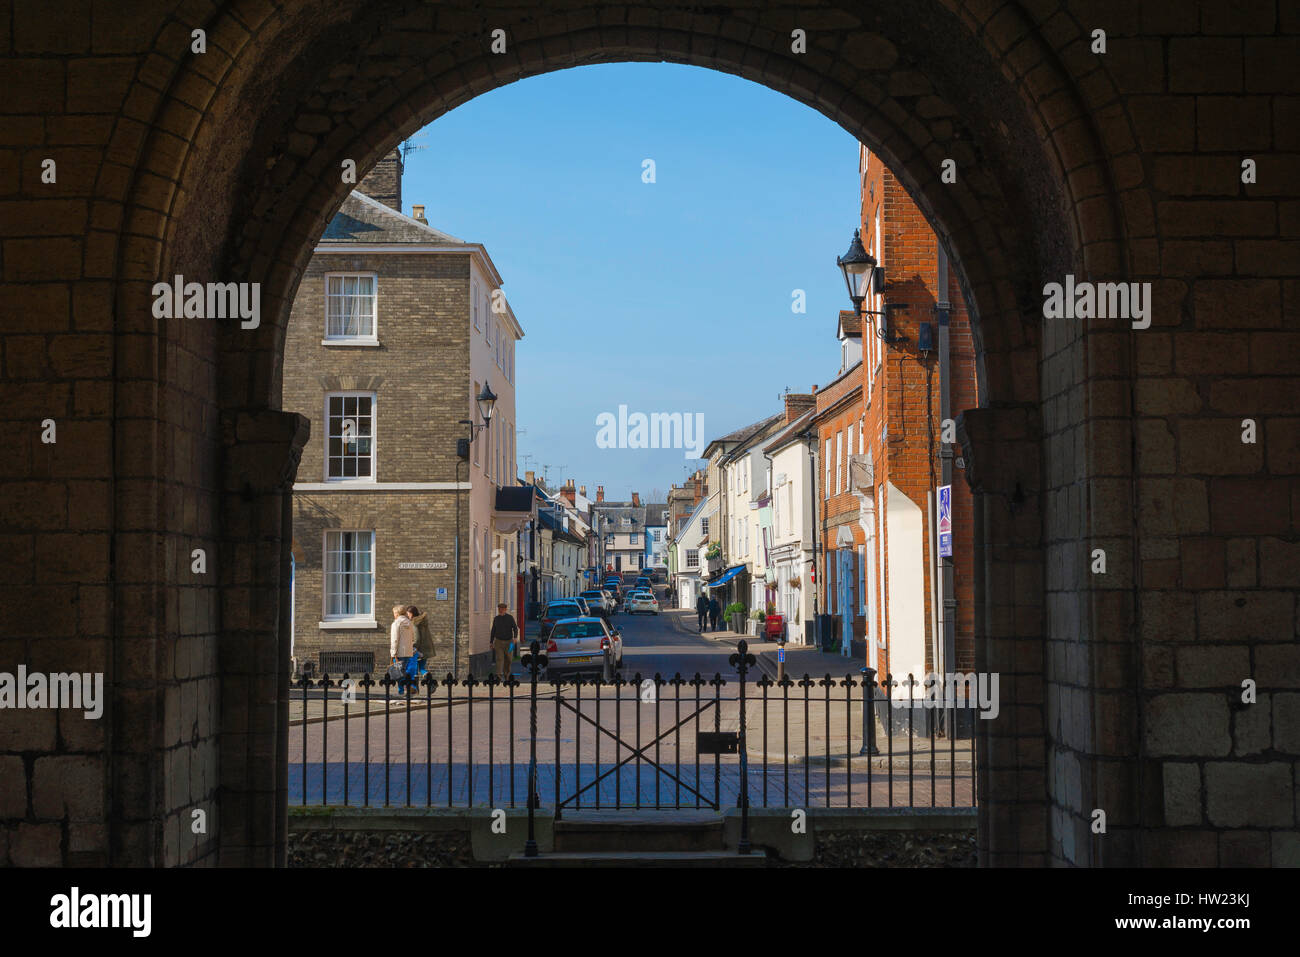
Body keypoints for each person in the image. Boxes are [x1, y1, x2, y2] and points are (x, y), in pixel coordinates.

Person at [389, 604, 417, 694]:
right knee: (403, 671)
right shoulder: (409, 623)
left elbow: (395, 639)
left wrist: (393, 652)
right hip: (408, 651)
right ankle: (407, 687)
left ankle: (403, 689)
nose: (394, 615)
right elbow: (413, 638)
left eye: (394, 613)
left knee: (398, 672)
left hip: (399, 652)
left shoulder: (396, 623)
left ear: (397, 613)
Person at [489, 602, 519, 680]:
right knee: (499, 658)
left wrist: (515, 638)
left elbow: (515, 628)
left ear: (505, 609)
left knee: (509, 659)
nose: (501, 610)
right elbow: (493, 630)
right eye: (499, 609)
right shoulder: (496, 619)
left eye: (502, 609)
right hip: (498, 642)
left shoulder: (510, 618)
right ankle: (498, 675)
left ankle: (507, 674)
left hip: (510, 642)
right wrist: (491, 642)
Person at [407, 605, 433, 678]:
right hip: (425, 649)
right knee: (421, 668)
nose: (407, 615)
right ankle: (427, 677)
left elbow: (417, 638)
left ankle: (414, 684)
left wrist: (413, 647)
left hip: (418, 650)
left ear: (411, 613)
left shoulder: (414, 623)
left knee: (414, 669)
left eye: (408, 614)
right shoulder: (422, 622)